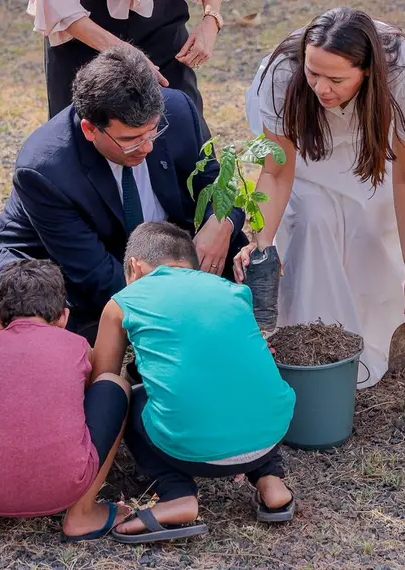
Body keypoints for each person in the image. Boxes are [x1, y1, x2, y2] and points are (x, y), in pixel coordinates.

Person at [0, 45, 248, 345]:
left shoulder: (179, 110)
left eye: (153, 132)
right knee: (57, 339)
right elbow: (95, 276)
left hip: (150, 251)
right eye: (130, 140)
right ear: (91, 129)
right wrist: (182, 305)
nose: (147, 147)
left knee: (242, 262)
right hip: (60, 263)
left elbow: (218, 185)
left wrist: (221, 223)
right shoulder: (44, 168)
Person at [237, 7, 405, 388]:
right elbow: (277, 171)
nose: (321, 88)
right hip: (305, 147)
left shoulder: (402, 69)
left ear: (367, 71)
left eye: (336, 79)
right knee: (311, 217)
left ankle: (369, 332)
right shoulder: (283, 72)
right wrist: (261, 242)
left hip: (369, 148)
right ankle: (306, 344)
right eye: (313, 73)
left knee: (368, 222)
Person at [91, 221, 297, 544]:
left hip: (189, 450)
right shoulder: (232, 291)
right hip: (269, 434)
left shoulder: (125, 300)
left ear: (134, 267)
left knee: (124, 396)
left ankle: (177, 494)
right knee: (242, 380)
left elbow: (103, 383)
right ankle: (271, 482)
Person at [0, 259, 131, 543]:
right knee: (114, 387)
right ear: (64, 317)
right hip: (67, 484)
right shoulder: (77, 345)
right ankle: (82, 513)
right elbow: (92, 392)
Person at [29, 0, 225, 136]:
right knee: (88, 140)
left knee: (184, 130)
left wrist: (211, 19)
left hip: (164, 26)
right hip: (83, 32)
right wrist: (121, 50)